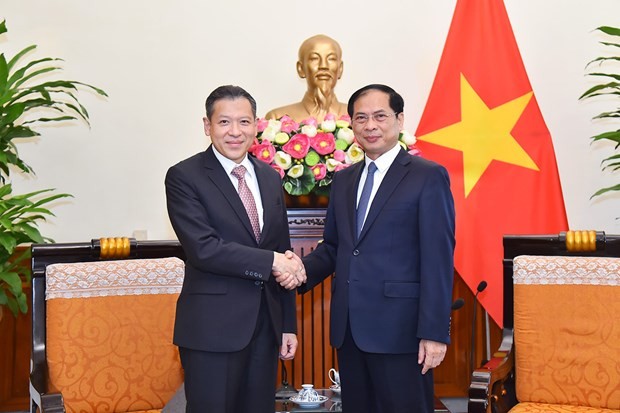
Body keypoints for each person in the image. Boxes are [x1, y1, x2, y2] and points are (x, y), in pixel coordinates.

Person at [298, 84, 456, 412]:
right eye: (361, 118)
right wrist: (297, 270)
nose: (371, 125)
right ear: (351, 125)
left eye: (380, 116)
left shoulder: (428, 176)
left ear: (399, 120)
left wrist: (434, 332)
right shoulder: (343, 181)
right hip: (351, 331)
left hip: (403, 332)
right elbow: (334, 248)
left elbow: (438, 259)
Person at [165, 85, 306, 413]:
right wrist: (271, 261)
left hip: (264, 327)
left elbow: (282, 250)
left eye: (244, 122)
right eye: (224, 122)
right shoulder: (185, 177)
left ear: (256, 126)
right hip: (211, 329)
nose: (235, 132)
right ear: (207, 126)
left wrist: (287, 324)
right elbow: (204, 249)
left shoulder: (270, 178)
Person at [265, 34, 348, 122]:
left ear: (340, 69)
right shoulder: (277, 119)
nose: (323, 66)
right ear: (301, 68)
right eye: (314, 58)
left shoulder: (355, 118)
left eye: (331, 59)